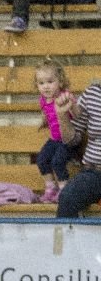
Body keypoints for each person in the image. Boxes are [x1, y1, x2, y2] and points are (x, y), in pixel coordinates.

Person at [33, 59, 78, 203]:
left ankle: (64, 191)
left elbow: (78, 115)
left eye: (50, 81)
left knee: (57, 161)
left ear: (60, 81)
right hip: (54, 139)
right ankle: (51, 189)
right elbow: (47, 114)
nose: (46, 86)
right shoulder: (43, 100)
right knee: (41, 159)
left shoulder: (65, 96)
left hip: (67, 140)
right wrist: (43, 122)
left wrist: (72, 105)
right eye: (41, 83)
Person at [55, 81, 101, 218]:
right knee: (68, 197)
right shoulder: (93, 93)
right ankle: (66, 233)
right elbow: (72, 141)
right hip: (95, 173)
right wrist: (62, 116)